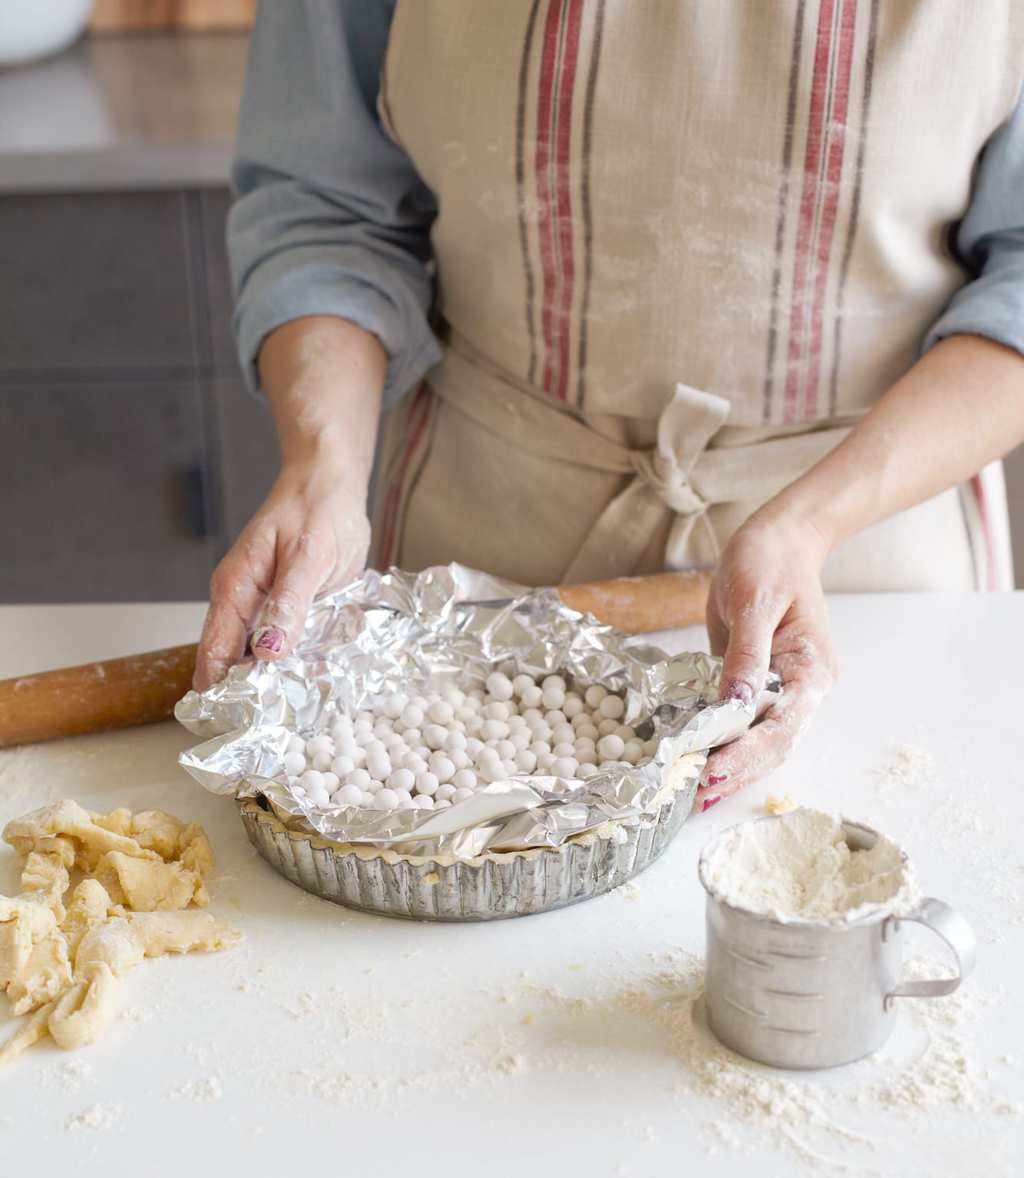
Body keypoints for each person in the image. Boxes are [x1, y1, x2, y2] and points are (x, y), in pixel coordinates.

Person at [195, 1, 1024, 811]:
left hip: (871, 577)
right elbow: (328, 211)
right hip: (483, 546)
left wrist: (807, 523)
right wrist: (323, 464)